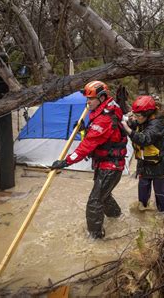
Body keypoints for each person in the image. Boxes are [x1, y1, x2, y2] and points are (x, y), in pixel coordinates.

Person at [50, 81, 127, 239]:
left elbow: (86, 147)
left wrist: (65, 162)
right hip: (106, 164)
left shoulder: (104, 119)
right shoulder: (103, 111)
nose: (88, 102)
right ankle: (118, 218)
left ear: (102, 97)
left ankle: (95, 238)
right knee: (104, 197)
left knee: (94, 202)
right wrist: (85, 129)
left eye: (91, 99)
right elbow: (99, 139)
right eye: (87, 99)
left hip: (111, 166)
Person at [121, 95, 164, 213]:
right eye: (135, 115)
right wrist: (127, 122)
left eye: (138, 116)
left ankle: (163, 217)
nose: (136, 117)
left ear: (148, 113)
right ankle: (143, 214)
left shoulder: (158, 124)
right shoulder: (143, 119)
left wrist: (128, 130)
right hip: (145, 163)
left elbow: (144, 139)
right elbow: (134, 124)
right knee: (143, 193)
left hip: (161, 164)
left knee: (160, 194)